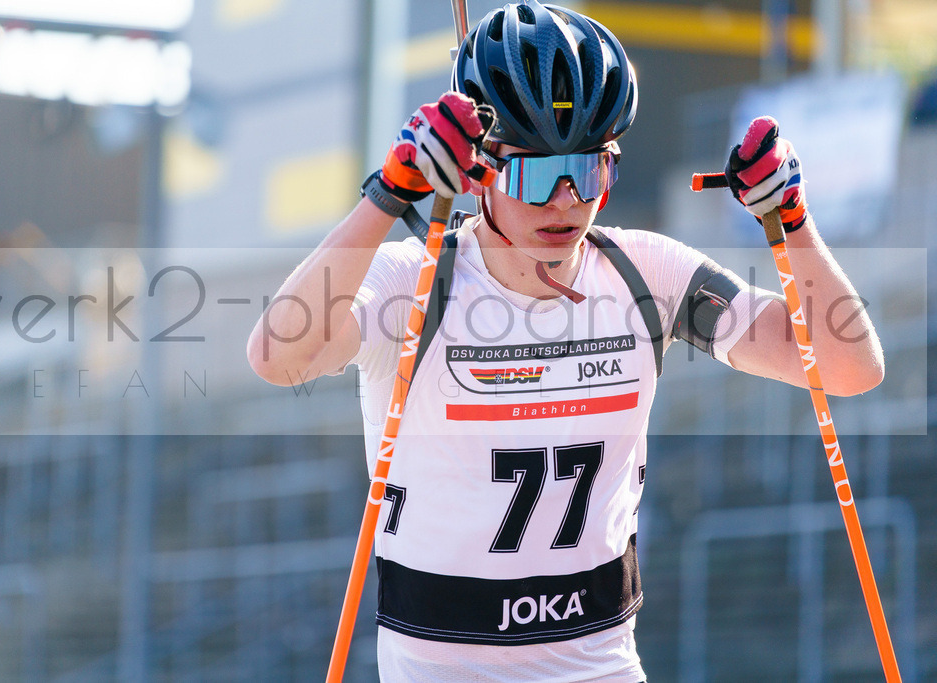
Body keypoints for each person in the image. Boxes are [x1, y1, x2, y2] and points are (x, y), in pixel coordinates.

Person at [248, 2, 884, 680]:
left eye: (586, 172)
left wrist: (792, 222)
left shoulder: (647, 275)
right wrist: (388, 194)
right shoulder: (416, 283)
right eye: (533, 173)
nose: (563, 203)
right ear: (476, 172)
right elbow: (277, 356)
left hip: (600, 664)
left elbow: (849, 366)